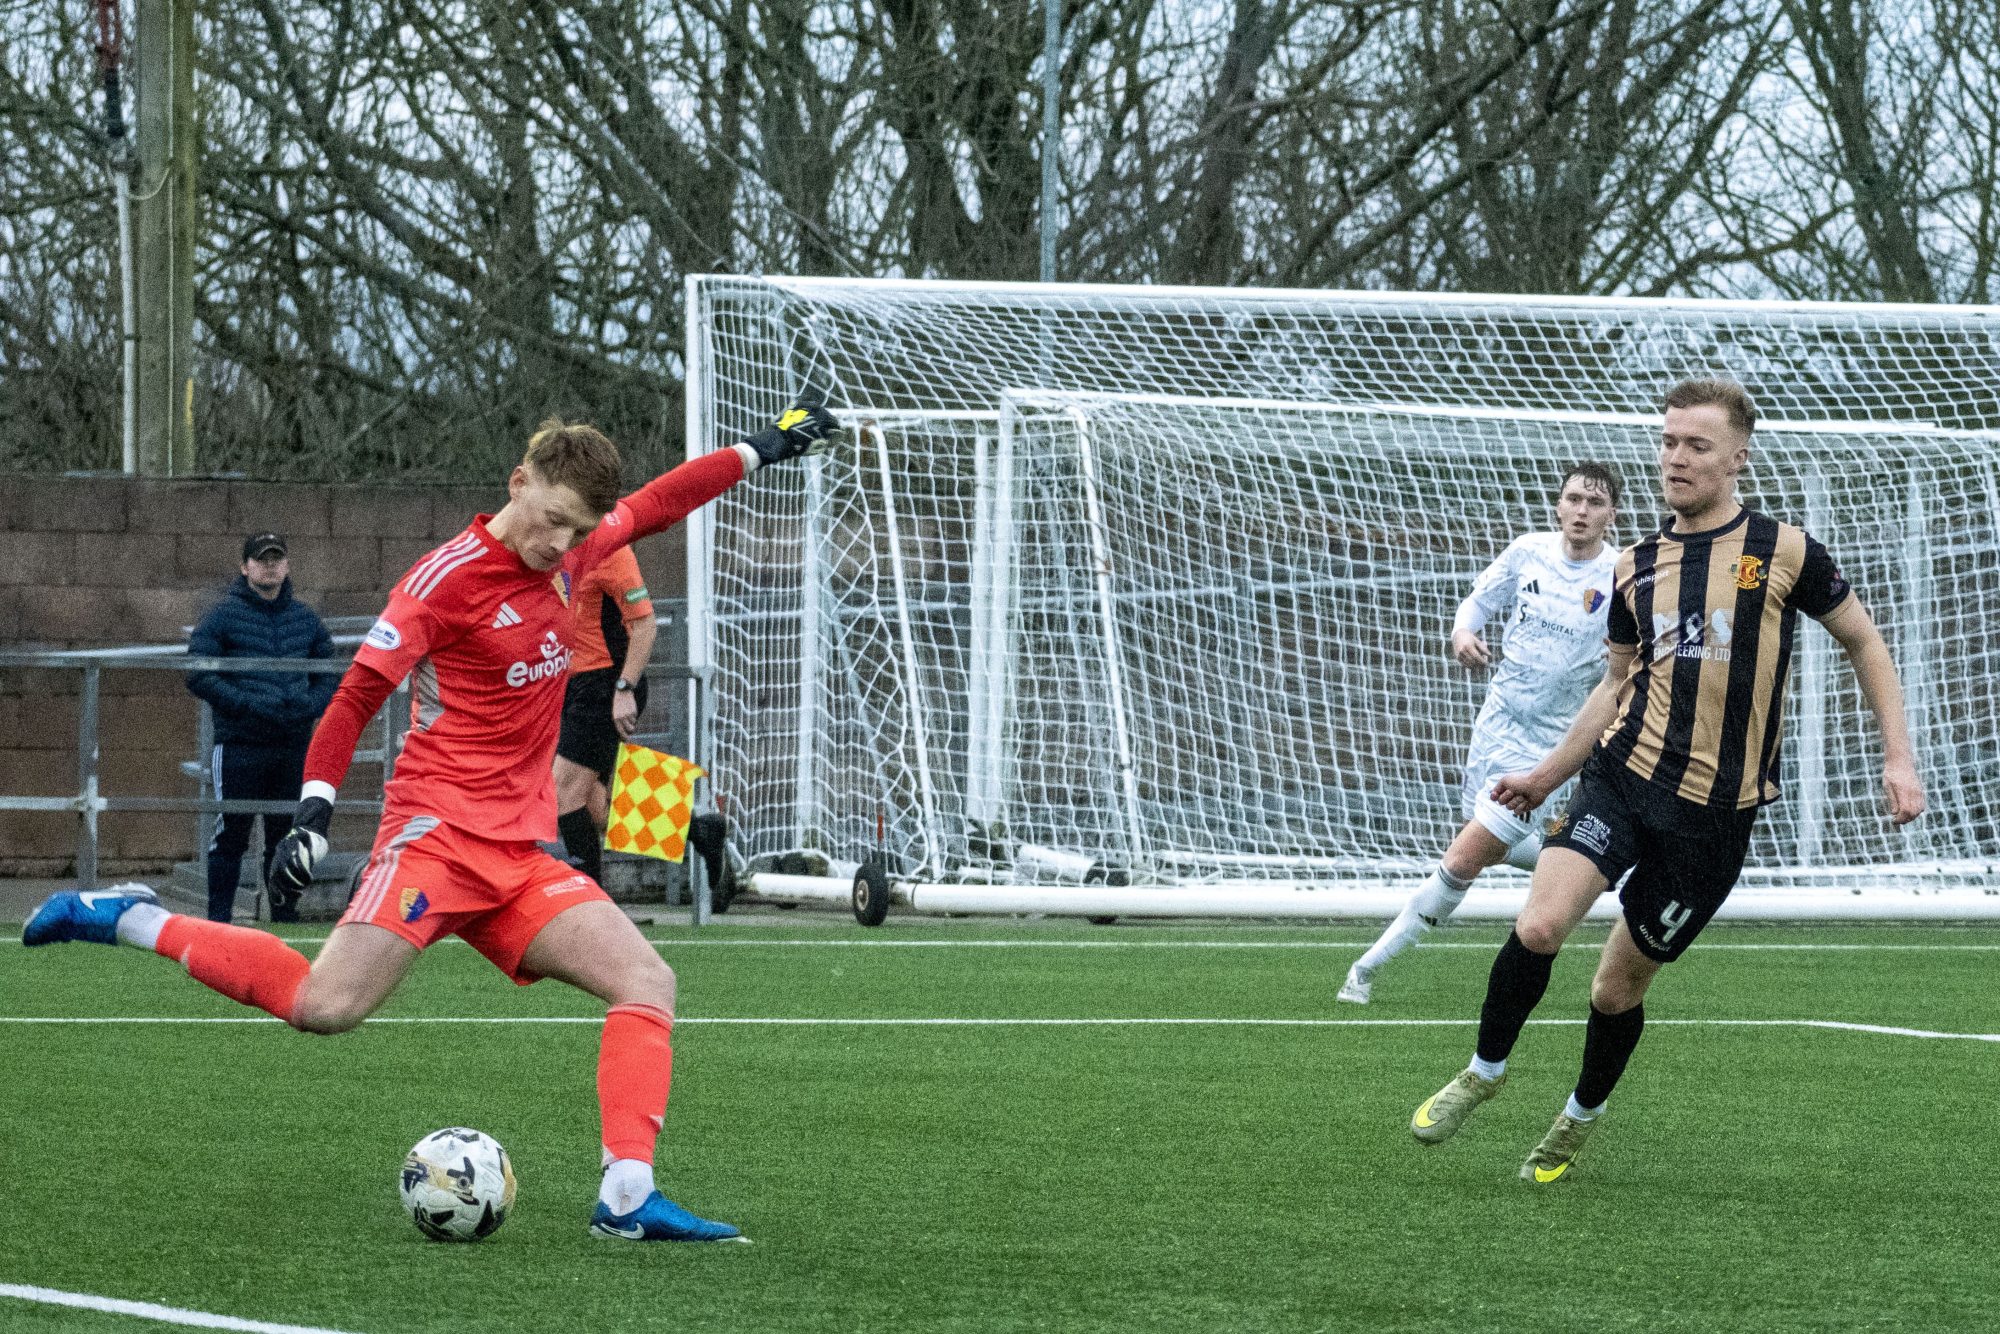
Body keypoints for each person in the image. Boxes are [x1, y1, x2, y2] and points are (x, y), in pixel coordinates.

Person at [24, 401, 844, 1242]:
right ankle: (130, 917)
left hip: (519, 853)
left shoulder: (577, 548)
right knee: (324, 1006)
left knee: (647, 981)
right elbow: (355, 697)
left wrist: (762, 447)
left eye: (579, 530)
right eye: (554, 520)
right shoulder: (440, 582)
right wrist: (315, 811)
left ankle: (627, 1198)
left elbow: (662, 501)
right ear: (518, 484)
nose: (563, 543)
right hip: (435, 839)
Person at [1407, 378, 1924, 1182]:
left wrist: (1898, 757)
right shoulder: (1636, 563)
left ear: (1738, 458)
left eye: (1697, 445)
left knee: (1615, 989)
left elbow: (1864, 641)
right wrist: (1545, 776)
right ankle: (1485, 1071)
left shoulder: (1784, 551)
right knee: (1539, 927)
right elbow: (1615, 685)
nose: (1675, 458)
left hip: (1714, 817)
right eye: (1668, 442)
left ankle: (1579, 1117)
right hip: (1622, 778)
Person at [1340, 464, 1620, 1004]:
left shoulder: (1619, 574)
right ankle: (1596, 860)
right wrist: (1463, 631)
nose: (1582, 510)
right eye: (1573, 499)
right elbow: (1478, 602)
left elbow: (1634, 653)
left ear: (1612, 514)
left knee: (1464, 856)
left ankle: (1365, 970)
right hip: (1496, 724)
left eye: (1595, 502)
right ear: (1558, 505)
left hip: (1551, 748)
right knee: (1490, 842)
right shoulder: (1527, 552)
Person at [186, 532, 336, 924]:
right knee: (230, 834)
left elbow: (330, 672)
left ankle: (283, 916)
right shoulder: (221, 617)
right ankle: (219, 919)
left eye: (276, 559)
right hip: (241, 743)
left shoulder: (306, 620)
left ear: (286, 565)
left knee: (286, 835)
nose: (269, 566)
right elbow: (198, 672)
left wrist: (308, 706)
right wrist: (246, 705)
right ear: (245, 567)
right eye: (261, 559)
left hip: (292, 743)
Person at [554, 545, 656, 887]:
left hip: (606, 685)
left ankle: (589, 903)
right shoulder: (554, 545)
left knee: (562, 794)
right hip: (574, 685)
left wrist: (625, 688)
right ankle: (699, 829)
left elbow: (645, 625)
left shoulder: (611, 549)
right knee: (594, 804)